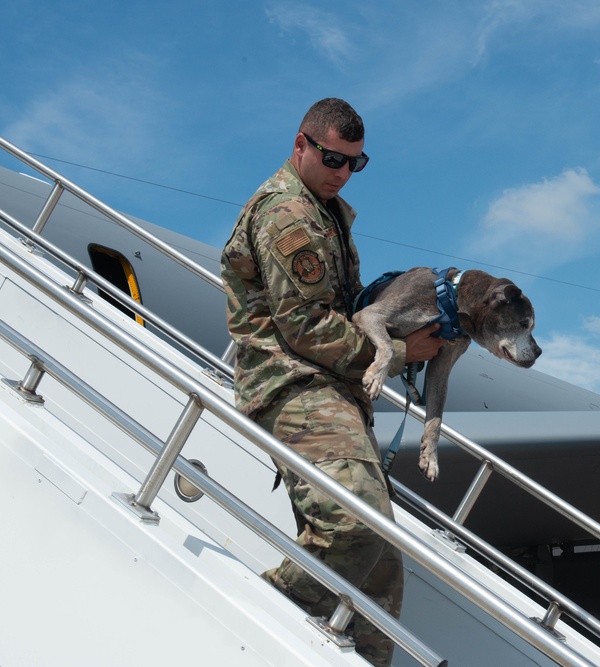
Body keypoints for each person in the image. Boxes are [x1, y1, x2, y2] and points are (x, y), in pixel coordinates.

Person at [220, 97, 444, 666]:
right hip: (292, 384)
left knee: (381, 565)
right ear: (301, 145)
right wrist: (393, 354)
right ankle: (254, 611)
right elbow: (304, 327)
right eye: (333, 158)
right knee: (353, 522)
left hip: (334, 391)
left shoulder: (326, 213)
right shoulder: (288, 214)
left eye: (355, 164)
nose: (343, 173)